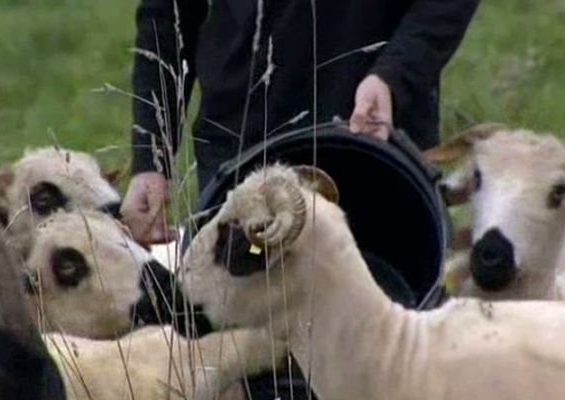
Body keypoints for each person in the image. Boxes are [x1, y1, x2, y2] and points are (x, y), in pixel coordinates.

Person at [121, 0, 480, 398]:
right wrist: (150, 154)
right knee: (247, 367)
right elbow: (167, 12)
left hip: (371, 149)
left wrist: (395, 74)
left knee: (384, 366)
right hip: (238, 144)